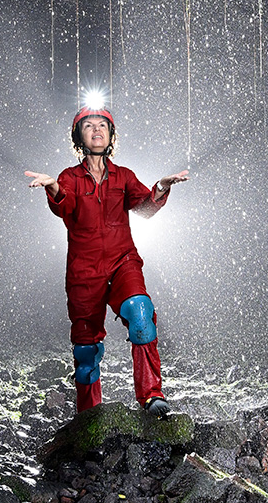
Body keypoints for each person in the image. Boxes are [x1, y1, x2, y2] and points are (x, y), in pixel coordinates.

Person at [26, 107, 188, 415]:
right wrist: (53, 188)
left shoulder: (124, 177)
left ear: (111, 135)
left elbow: (143, 208)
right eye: (89, 126)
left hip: (122, 261)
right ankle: (90, 416)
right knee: (86, 353)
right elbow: (66, 205)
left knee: (141, 313)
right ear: (79, 136)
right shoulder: (68, 178)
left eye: (103, 125)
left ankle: (152, 395)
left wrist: (162, 188)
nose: (97, 130)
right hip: (83, 273)